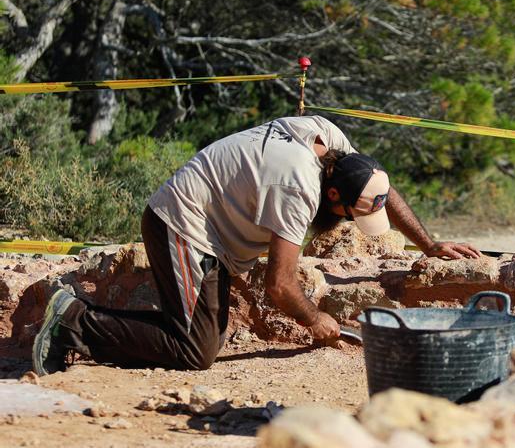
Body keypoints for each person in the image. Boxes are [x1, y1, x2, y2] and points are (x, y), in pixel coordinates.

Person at [32, 115, 480, 375]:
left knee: (199, 334)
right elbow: (280, 287)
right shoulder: (298, 188)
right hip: (183, 224)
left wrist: (429, 244)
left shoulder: (332, 142)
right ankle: (74, 319)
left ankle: (79, 328)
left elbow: (380, 189)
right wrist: (314, 318)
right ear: (334, 196)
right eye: (349, 216)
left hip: (211, 226)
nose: (346, 226)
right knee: (197, 351)